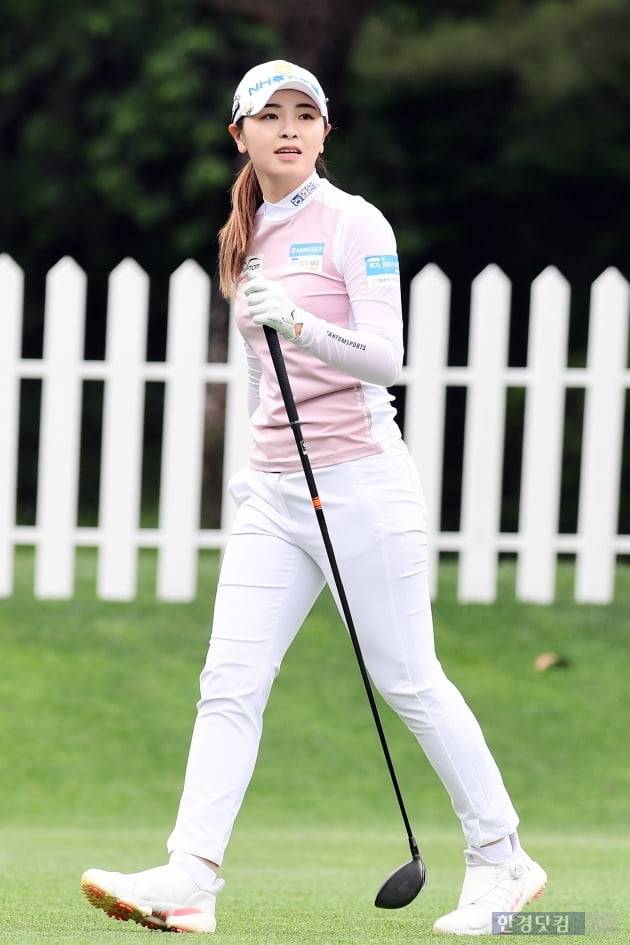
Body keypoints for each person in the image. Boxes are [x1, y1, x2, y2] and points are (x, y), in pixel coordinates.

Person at [80, 59, 547, 936]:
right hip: (274, 494)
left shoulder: (354, 223)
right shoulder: (246, 232)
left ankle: (503, 858)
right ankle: (191, 875)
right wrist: (259, 466)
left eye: (305, 114)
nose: (288, 127)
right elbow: (267, 380)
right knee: (229, 679)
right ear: (241, 135)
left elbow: (385, 358)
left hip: (361, 482)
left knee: (408, 677)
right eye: (270, 115)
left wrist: (298, 320)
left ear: (326, 131)